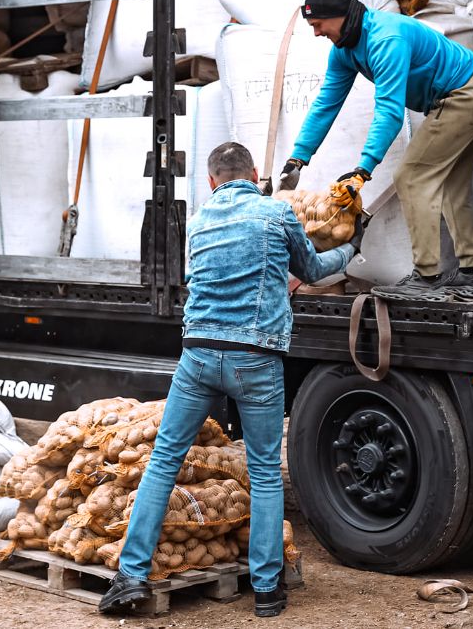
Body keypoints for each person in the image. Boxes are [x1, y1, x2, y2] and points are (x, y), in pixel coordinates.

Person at [98, 141, 363, 619]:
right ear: (255, 173)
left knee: (162, 462)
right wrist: (350, 247)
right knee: (263, 472)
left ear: (212, 180)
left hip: (197, 356)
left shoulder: (198, 223)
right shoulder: (275, 214)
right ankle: (266, 592)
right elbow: (312, 268)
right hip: (255, 360)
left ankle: (131, 576)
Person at [280, 0, 473, 297]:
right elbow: (326, 104)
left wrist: (362, 171)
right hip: (463, 93)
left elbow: (389, 112)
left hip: (469, 92)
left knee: (411, 176)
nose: (316, 32)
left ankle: (427, 277)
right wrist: (298, 157)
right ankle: (470, 274)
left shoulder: (385, 37)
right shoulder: (344, 50)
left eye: (318, 24)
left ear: (340, 14)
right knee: (452, 184)